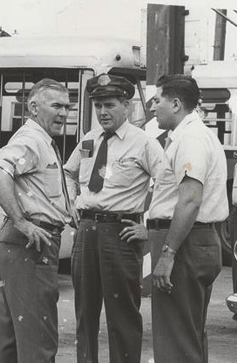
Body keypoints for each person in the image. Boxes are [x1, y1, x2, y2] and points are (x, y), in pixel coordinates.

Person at [63, 74, 163, 363]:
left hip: (121, 233)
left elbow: (167, 184)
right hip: (86, 231)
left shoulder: (143, 143)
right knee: (85, 313)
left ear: (127, 106)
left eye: (109, 105)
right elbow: (68, 173)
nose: (102, 113)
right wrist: (71, 203)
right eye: (98, 106)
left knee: (123, 316)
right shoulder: (89, 140)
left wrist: (148, 227)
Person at [0, 78, 72, 362]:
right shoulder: (32, 140)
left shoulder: (41, 141)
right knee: (38, 341)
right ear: (34, 107)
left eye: (67, 107)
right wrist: (21, 221)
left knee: (10, 339)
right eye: (56, 105)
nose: (63, 113)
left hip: (18, 245)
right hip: (30, 245)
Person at [148, 74, 227, 362]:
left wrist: (168, 254)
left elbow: (191, 198)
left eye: (158, 100)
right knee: (187, 336)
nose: (152, 107)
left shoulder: (190, 137)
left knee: (175, 343)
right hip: (195, 239)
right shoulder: (195, 134)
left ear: (176, 104)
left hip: (184, 242)